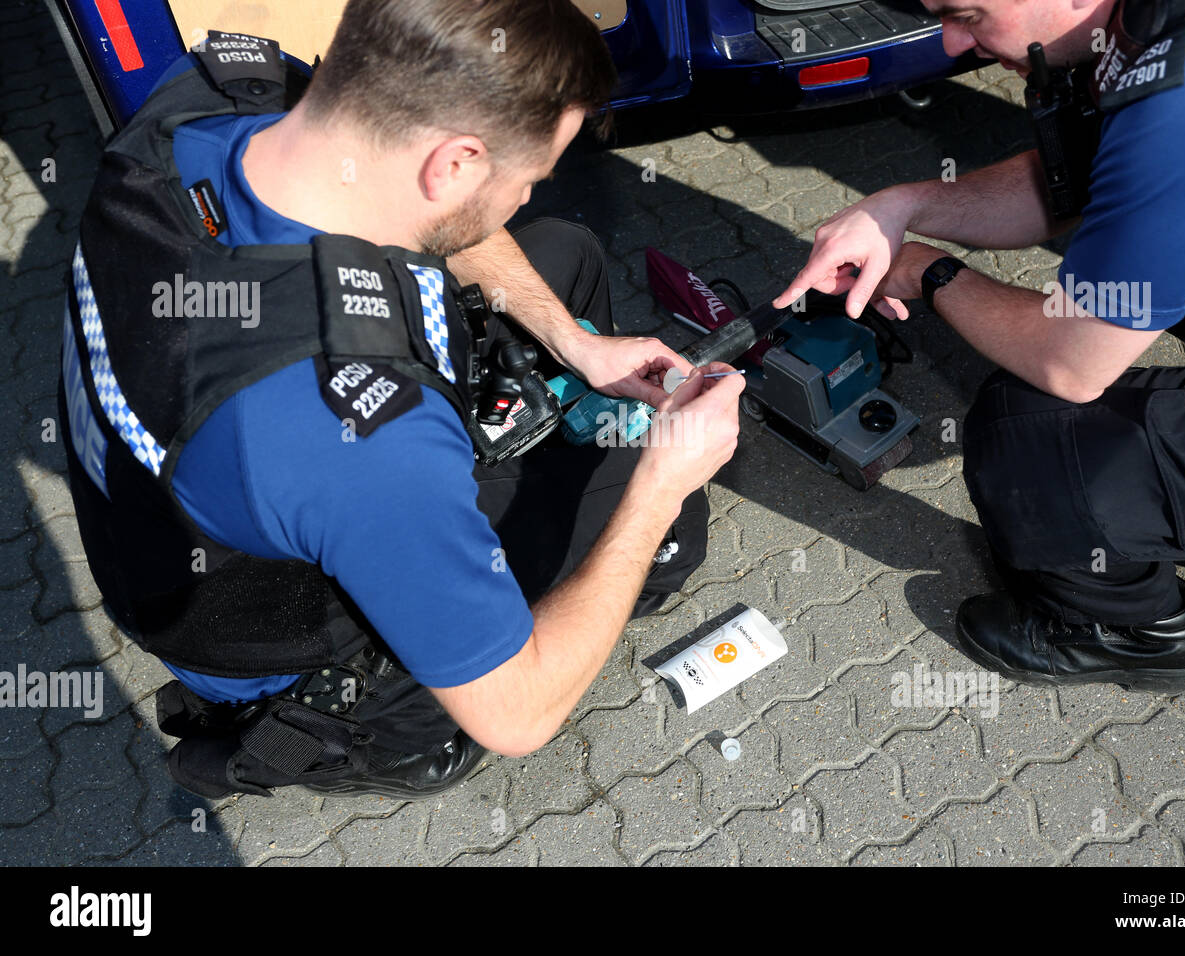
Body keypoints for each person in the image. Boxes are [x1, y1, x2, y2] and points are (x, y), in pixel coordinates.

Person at [58, 0, 744, 800]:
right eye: (528, 177)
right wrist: (662, 485)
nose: (527, 194)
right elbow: (519, 717)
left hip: (216, 482)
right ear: (452, 164)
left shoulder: (221, 92)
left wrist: (576, 345)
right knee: (640, 488)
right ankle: (390, 736)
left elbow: (439, 213)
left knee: (567, 255)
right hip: (285, 635)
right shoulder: (357, 438)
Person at [775, 0, 1185, 692]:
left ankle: (1135, 632)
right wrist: (901, 207)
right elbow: (1074, 179)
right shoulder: (1166, 25)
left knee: (1031, 433)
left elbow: (1071, 363)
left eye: (968, 14)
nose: (952, 42)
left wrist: (930, 273)